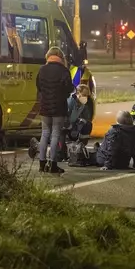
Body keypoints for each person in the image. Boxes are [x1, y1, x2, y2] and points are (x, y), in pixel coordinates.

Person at [35, 46, 74, 174]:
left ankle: (41, 163)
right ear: (60, 57)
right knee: (55, 134)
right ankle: (53, 164)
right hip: (59, 107)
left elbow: (39, 86)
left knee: (45, 133)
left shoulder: (42, 69)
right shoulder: (64, 70)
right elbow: (69, 88)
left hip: (45, 106)